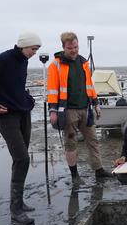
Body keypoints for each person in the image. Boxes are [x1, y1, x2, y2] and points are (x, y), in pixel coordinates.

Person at [0, 32, 42, 225]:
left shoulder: (23, 61)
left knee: (20, 159)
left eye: (37, 50)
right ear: (23, 46)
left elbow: (17, 86)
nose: (35, 53)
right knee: (22, 159)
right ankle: (15, 211)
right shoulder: (3, 59)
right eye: (33, 49)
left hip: (23, 113)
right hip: (6, 116)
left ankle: (18, 202)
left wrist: (28, 100)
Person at [47, 32, 112, 186]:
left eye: (76, 47)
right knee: (71, 143)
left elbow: (90, 86)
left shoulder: (84, 63)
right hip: (68, 111)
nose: (74, 50)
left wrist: (96, 103)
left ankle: (99, 170)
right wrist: (53, 111)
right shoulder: (55, 65)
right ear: (63, 47)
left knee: (93, 140)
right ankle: (75, 175)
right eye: (70, 48)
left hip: (86, 109)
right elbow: (52, 90)